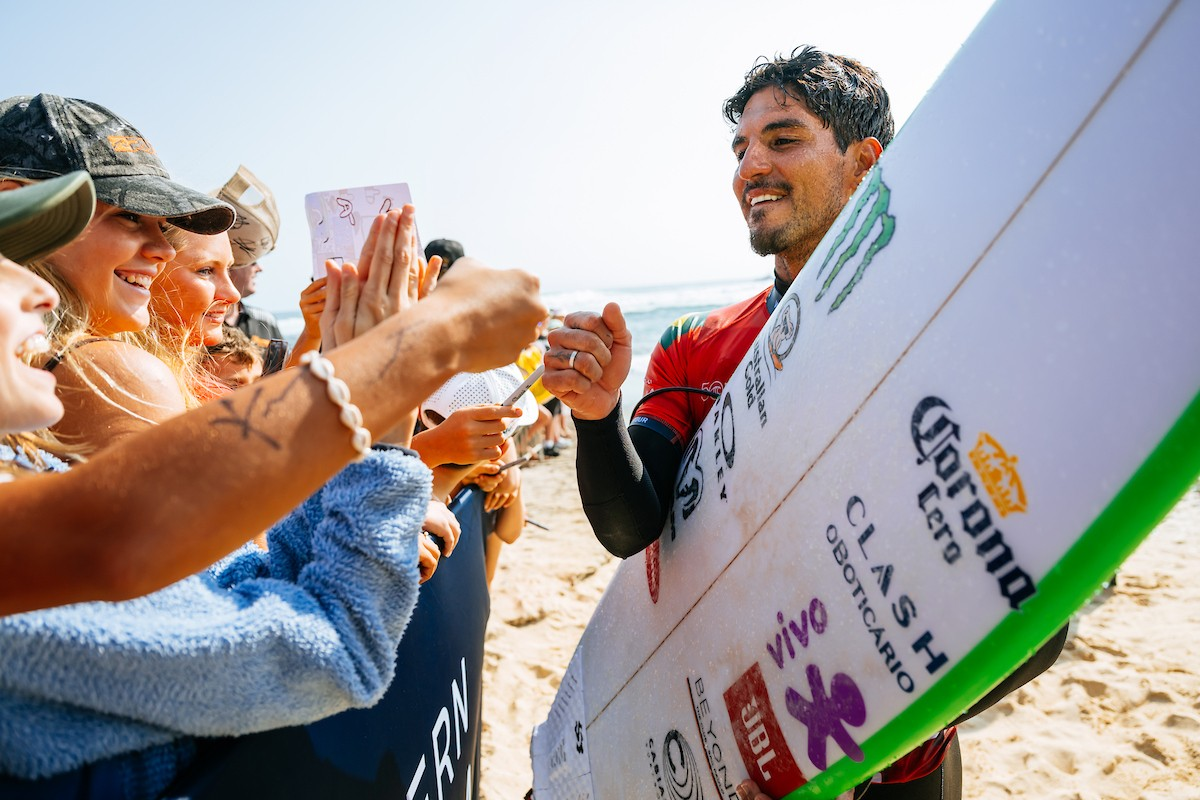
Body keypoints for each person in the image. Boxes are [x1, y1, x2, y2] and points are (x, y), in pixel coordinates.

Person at [543, 47, 1066, 798]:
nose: (749, 167)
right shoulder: (695, 345)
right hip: (746, 760)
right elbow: (633, 528)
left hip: (905, 763)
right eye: (740, 149)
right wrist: (598, 418)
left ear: (863, 162)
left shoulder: (944, 330)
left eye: (782, 139)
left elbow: (1041, 617)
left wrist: (874, 741)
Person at [0, 103, 547, 616]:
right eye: (127, 216)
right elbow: (237, 602)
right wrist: (433, 339)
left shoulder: (45, 374)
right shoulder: (105, 370)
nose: (162, 250)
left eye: (161, 225)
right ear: (19, 209)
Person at [213, 164, 286, 350]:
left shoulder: (266, 323)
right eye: (253, 261)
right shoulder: (201, 325)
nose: (259, 268)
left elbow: (286, 368)